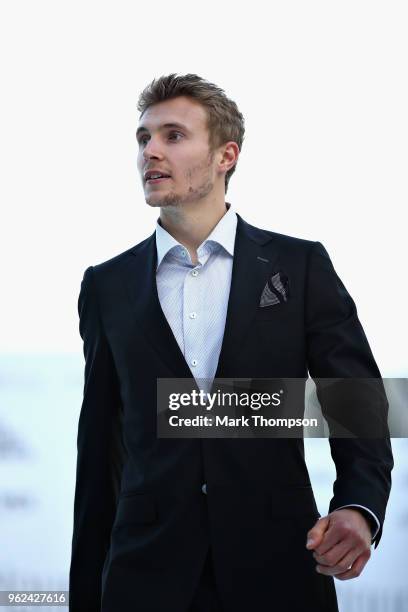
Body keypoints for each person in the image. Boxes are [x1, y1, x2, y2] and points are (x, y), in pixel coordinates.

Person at [69, 73, 393, 612]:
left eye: (173, 135)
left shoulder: (300, 264)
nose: (150, 150)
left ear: (226, 155)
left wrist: (359, 506)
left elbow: (355, 399)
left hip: (282, 567)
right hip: (143, 577)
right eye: (143, 138)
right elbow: (101, 451)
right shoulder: (106, 286)